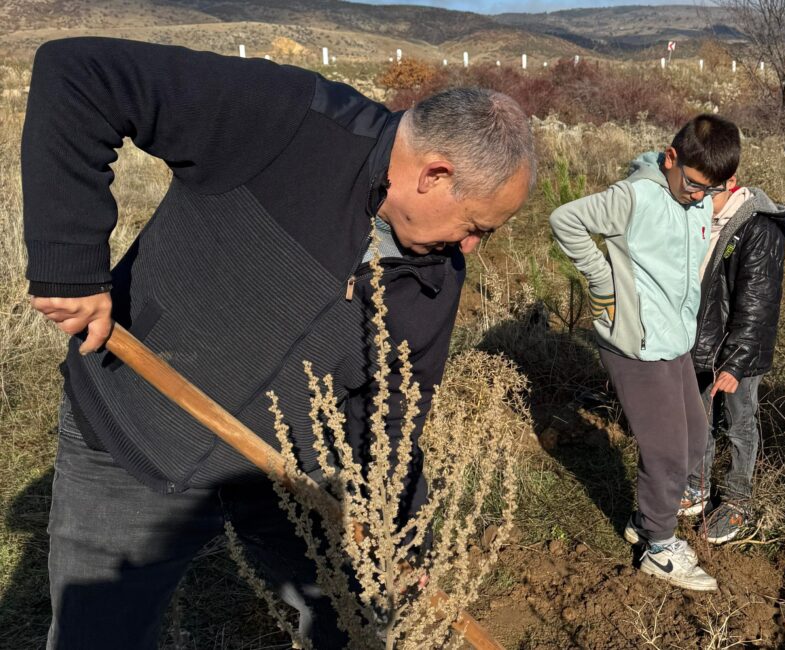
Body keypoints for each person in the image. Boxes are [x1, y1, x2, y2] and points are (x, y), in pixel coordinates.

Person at [23, 37, 535, 648]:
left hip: (287, 476)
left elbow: (394, 413)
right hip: (132, 431)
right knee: (98, 638)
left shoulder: (437, 275)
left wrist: (397, 532)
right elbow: (81, 74)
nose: (471, 248)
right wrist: (70, 265)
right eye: (475, 226)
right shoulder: (289, 120)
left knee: (350, 620)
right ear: (435, 174)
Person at [550, 114, 742, 592]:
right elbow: (565, 219)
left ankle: (645, 516)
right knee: (667, 453)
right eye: (694, 185)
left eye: (709, 190)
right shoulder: (634, 196)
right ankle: (658, 547)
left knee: (695, 441)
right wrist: (601, 279)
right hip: (635, 342)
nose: (699, 197)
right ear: (671, 158)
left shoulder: (696, 197)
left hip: (673, 339)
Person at [681, 161, 785, 544]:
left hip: (737, 354)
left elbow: (758, 304)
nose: (697, 198)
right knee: (699, 417)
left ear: (731, 182)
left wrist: (737, 362)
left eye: (707, 190)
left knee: (739, 421)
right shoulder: (699, 220)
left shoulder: (758, 229)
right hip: (701, 344)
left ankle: (738, 499)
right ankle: (697, 485)